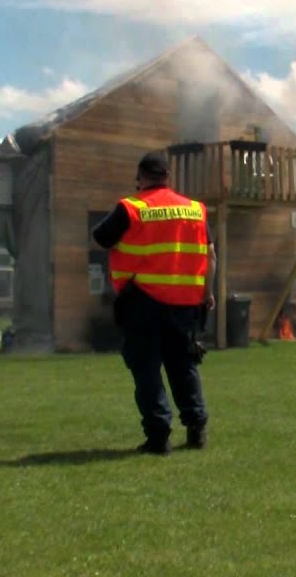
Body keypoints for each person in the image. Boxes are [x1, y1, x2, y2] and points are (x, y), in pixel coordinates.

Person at [92, 152, 215, 455]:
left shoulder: (131, 209)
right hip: (185, 302)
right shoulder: (195, 210)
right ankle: (196, 428)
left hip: (142, 301)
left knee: (147, 368)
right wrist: (206, 292)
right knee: (183, 366)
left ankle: (159, 437)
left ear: (141, 177)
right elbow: (211, 256)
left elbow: (100, 238)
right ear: (168, 177)